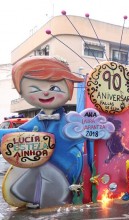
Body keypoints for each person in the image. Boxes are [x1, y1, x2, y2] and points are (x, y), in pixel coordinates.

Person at [0, 56, 85, 208]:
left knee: (51, 186)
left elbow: (82, 136)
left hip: (67, 167)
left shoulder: (71, 122)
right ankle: (33, 198)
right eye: (35, 89)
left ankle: (42, 201)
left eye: (54, 88)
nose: (45, 93)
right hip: (43, 167)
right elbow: (18, 134)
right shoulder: (34, 124)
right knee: (38, 172)